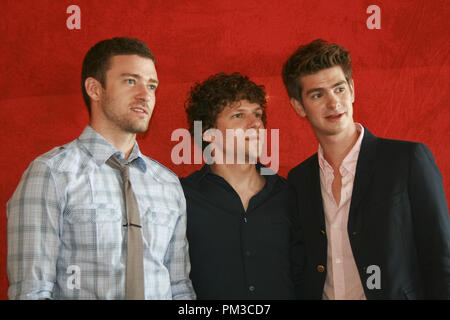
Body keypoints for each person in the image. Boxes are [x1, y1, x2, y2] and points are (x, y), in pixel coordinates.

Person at [7, 37, 195, 300]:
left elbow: (179, 287)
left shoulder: (168, 183)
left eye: (152, 85)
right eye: (131, 81)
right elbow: (31, 292)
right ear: (95, 89)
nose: (145, 95)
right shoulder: (50, 174)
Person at [282, 39, 450, 299]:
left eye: (339, 89)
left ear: (352, 89)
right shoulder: (299, 179)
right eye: (317, 94)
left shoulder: (407, 160)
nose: (333, 102)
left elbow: (441, 255)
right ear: (298, 106)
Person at [180, 72, 304, 299]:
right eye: (239, 115)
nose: (256, 123)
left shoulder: (290, 195)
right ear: (208, 134)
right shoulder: (181, 197)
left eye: (258, 114)